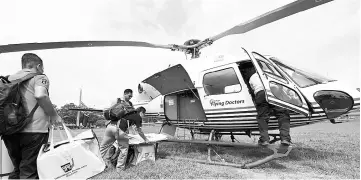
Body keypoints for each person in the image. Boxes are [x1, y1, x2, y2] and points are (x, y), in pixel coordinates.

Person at [2, 53, 62, 179]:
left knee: (17, 169)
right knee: (29, 171)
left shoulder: (9, 80)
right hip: (34, 131)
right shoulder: (39, 77)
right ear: (39, 66)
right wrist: (54, 115)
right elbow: (41, 95)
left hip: (10, 131)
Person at [99, 89, 149, 172]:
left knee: (102, 148)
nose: (130, 97)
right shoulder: (135, 114)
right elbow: (138, 130)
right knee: (124, 149)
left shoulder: (124, 104)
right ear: (141, 112)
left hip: (110, 127)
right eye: (129, 96)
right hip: (119, 129)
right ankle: (119, 169)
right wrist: (145, 139)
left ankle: (94, 164)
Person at [248, 68, 292, 146]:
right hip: (273, 91)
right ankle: (285, 139)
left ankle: (264, 140)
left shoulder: (252, 77)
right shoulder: (271, 73)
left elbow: (252, 90)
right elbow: (281, 85)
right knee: (283, 114)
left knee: (262, 118)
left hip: (260, 93)